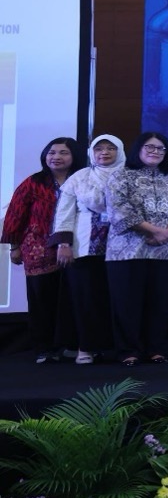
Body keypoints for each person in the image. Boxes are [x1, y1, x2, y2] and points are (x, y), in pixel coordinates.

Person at [106, 132, 168, 365]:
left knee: (159, 303)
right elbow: (119, 211)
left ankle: (155, 349)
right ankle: (128, 351)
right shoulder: (120, 176)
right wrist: (155, 231)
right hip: (127, 251)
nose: (155, 152)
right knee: (126, 302)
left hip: (166, 251)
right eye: (149, 147)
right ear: (138, 150)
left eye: (160, 148)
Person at [4, 137, 85, 363]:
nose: (56, 157)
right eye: (52, 152)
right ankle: (43, 348)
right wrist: (15, 246)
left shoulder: (82, 180)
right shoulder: (34, 182)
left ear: (75, 156)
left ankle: (70, 344)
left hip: (75, 247)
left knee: (71, 298)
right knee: (41, 300)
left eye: (63, 153)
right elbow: (15, 214)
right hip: (37, 249)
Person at [50, 134, 125, 364]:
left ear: (120, 151)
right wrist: (64, 244)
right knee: (86, 300)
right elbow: (64, 212)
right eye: (99, 148)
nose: (104, 153)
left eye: (110, 148)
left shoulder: (130, 175)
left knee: (118, 300)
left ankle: (118, 348)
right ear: (91, 152)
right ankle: (86, 347)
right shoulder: (79, 177)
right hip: (85, 248)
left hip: (124, 249)